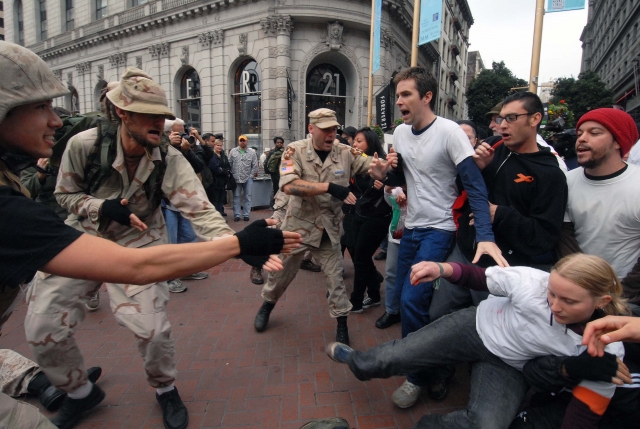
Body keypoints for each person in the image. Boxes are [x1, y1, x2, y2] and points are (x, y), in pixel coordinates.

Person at [0, 41, 300, 429]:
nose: (160, 124)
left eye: (163, 115)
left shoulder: (168, 158)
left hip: (140, 240)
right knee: (42, 326)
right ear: (122, 113)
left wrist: (233, 244)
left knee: (153, 329)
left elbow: (200, 209)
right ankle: (79, 392)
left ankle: (165, 389)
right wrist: (100, 206)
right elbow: (65, 195)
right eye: (149, 115)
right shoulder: (84, 145)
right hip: (82, 237)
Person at [327, 253, 628, 429]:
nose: (554, 305)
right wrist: (442, 269)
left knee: (487, 425)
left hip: (509, 367)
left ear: (601, 301)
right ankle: (357, 361)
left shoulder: (607, 348)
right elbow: (480, 277)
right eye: (551, 293)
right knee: (391, 358)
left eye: (569, 301)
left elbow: (583, 415)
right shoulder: (531, 282)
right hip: (474, 328)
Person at [369, 66, 505, 407]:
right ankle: (434, 366)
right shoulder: (400, 133)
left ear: (427, 96)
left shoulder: (449, 132)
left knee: (413, 300)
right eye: (397, 95)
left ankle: (416, 376)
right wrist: (385, 174)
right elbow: (405, 178)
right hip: (411, 227)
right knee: (407, 302)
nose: (399, 101)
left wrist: (485, 234)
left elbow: (474, 186)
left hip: (441, 228)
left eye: (406, 94)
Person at [252, 108, 393, 346]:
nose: (331, 134)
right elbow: (289, 185)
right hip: (298, 226)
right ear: (311, 129)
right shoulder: (294, 150)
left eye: (333, 129)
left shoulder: (345, 151)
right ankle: (268, 303)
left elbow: (368, 163)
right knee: (281, 273)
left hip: (328, 229)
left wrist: (381, 168)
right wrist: (329, 187)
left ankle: (342, 324)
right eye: (325, 129)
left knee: (335, 279)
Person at [429, 92, 568, 321]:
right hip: (464, 252)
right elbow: (461, 189)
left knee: (487, 327)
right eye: (501, 118)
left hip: (501, 268)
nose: (502, 125)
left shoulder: (550, 174)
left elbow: (544, 236)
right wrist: (476, 169)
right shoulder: (491, 147)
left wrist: (500, 214)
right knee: (437, 314)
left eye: (511, 118)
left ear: (535, 119)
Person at [558, 108, 640, 314]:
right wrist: (579, 287)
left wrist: (621, 297)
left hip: (627, 299)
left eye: (594, 133)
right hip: (575, 293)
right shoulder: (565, 182)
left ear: (618, 142)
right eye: (580, 133)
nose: (582, 139)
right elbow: (564, 238)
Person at [341, 128, 392, 312]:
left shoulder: (382, 162)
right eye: (354, 140)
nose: (354, 144)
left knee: (361, 258)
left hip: (377, 218)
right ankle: (374, 288)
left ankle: (356, 301)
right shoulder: (354, 162)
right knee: (358, 256)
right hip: (357, 213)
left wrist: (384, 183)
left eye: (359, 141)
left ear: (370, 142)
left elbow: (395, 186)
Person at [161, 117, 208, 292]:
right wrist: (167, 145)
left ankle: (187, 271)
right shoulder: (158, 147)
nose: (182, 136)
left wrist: (186, 150)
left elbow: (199, 166)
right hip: (167, 202)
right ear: (167, 133)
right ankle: (169, 277)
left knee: (189, 238)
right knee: (170, 242)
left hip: (184, 201)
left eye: (183, 133)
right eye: (177, 133)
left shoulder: (184, 148)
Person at [374, 186, 406, 329]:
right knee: (391, 273)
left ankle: (410, 309)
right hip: (397, 233)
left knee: (415, 274)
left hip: (419, 234)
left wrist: (409, 195)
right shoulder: (395, 179)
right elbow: (389, 203)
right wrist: (387, 190)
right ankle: (392, 310)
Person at [228, 134, 258, 222]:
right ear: (238, 142)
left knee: (248, 197)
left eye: (244, 140)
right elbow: (229, 163)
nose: (242, 142)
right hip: (236, 178)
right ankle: (237, 215)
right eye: (241, 141)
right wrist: (231, 175)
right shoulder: (233, 151)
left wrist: (251, 176)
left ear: (247, 142)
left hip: (248, 178)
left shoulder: (252, 152)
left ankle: (246, 214)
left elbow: (255, 165)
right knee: (236, 196)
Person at [207, 137, 231, 217]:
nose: (219, 147)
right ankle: (217, 215)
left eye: (220, 145)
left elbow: (227, 165)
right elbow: (214, 168)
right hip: (215, 181)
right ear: (214, 145)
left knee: (221, 199)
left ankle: (220, 213)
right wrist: (223, 171)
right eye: (217, 145)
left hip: (223, 181)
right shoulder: (212, 155)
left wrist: (225, 170)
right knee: (215, 199)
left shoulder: (223, 155)